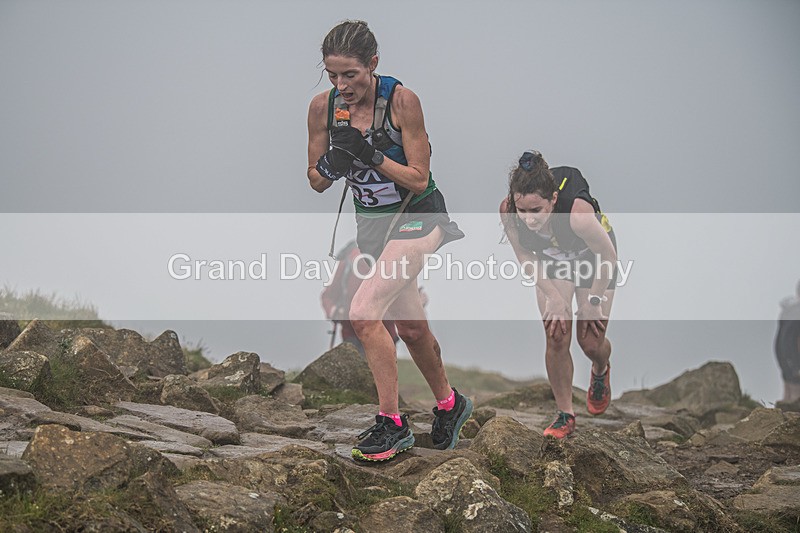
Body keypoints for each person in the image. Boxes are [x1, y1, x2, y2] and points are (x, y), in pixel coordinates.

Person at [307, 20, 471, 462]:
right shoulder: (323, 109)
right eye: (333, 75)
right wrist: (335, 161)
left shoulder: (402, 101)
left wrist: (371, 155)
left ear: (373, 65)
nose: (342, 86)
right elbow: (316, 181)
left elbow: (419, 179)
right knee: (413, 329)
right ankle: (451, 406)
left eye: (351, 75)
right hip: (374, 229)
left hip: (420, 216)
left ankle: (391, 424)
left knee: (363, 311)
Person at [500, 150, 617, 438]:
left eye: (536, 211)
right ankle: (566, 414)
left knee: (590, 342)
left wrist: (593, 302)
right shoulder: (508, 212)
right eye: (522, 210)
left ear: (553, 200)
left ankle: (601, 369)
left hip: (593, 258)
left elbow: (609, 257)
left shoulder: (578, 216)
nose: (528, 219)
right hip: (554, 259)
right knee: (556, 333)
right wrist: (552, 296)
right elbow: (525, 256)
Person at [321, 239, 400, 355]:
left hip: (356, 331)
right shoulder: (390, 260)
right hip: (377, 331)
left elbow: (328, 295)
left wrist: (334, 311)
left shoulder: (347, 262)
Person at [775, 280, 800, 409]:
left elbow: (780, 345)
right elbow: (787, 342)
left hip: (790, 369)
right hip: (794, 371)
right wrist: (795, 367)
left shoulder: (790, 312)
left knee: (789, 401)